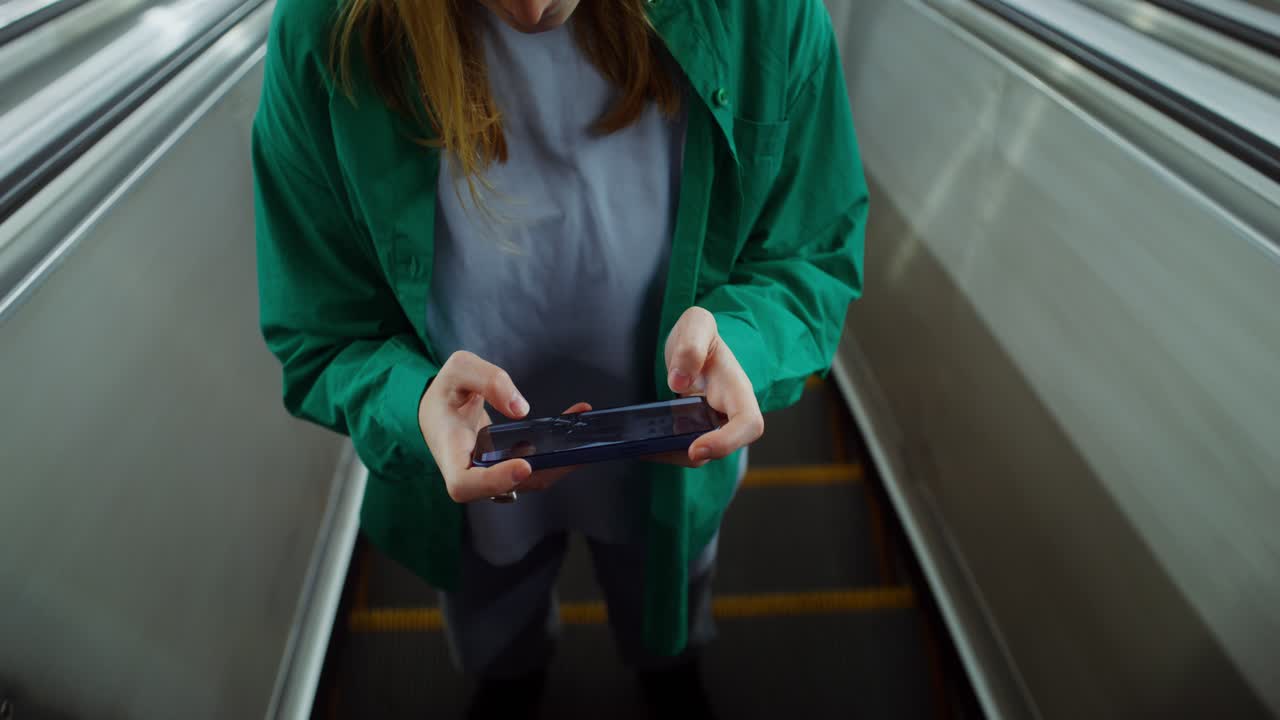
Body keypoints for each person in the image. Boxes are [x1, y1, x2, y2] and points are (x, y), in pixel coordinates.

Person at [252, 0, 866, 715]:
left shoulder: (763, 14)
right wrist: (413, 404)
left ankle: (666, 667)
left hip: (674, 454)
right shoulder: (326, 30)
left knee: (666, 593)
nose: (532, 5)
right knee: (493, 608)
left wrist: (745, 340)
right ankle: (513, 678)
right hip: (468, 469)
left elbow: (809, 248)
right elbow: (320, 326)